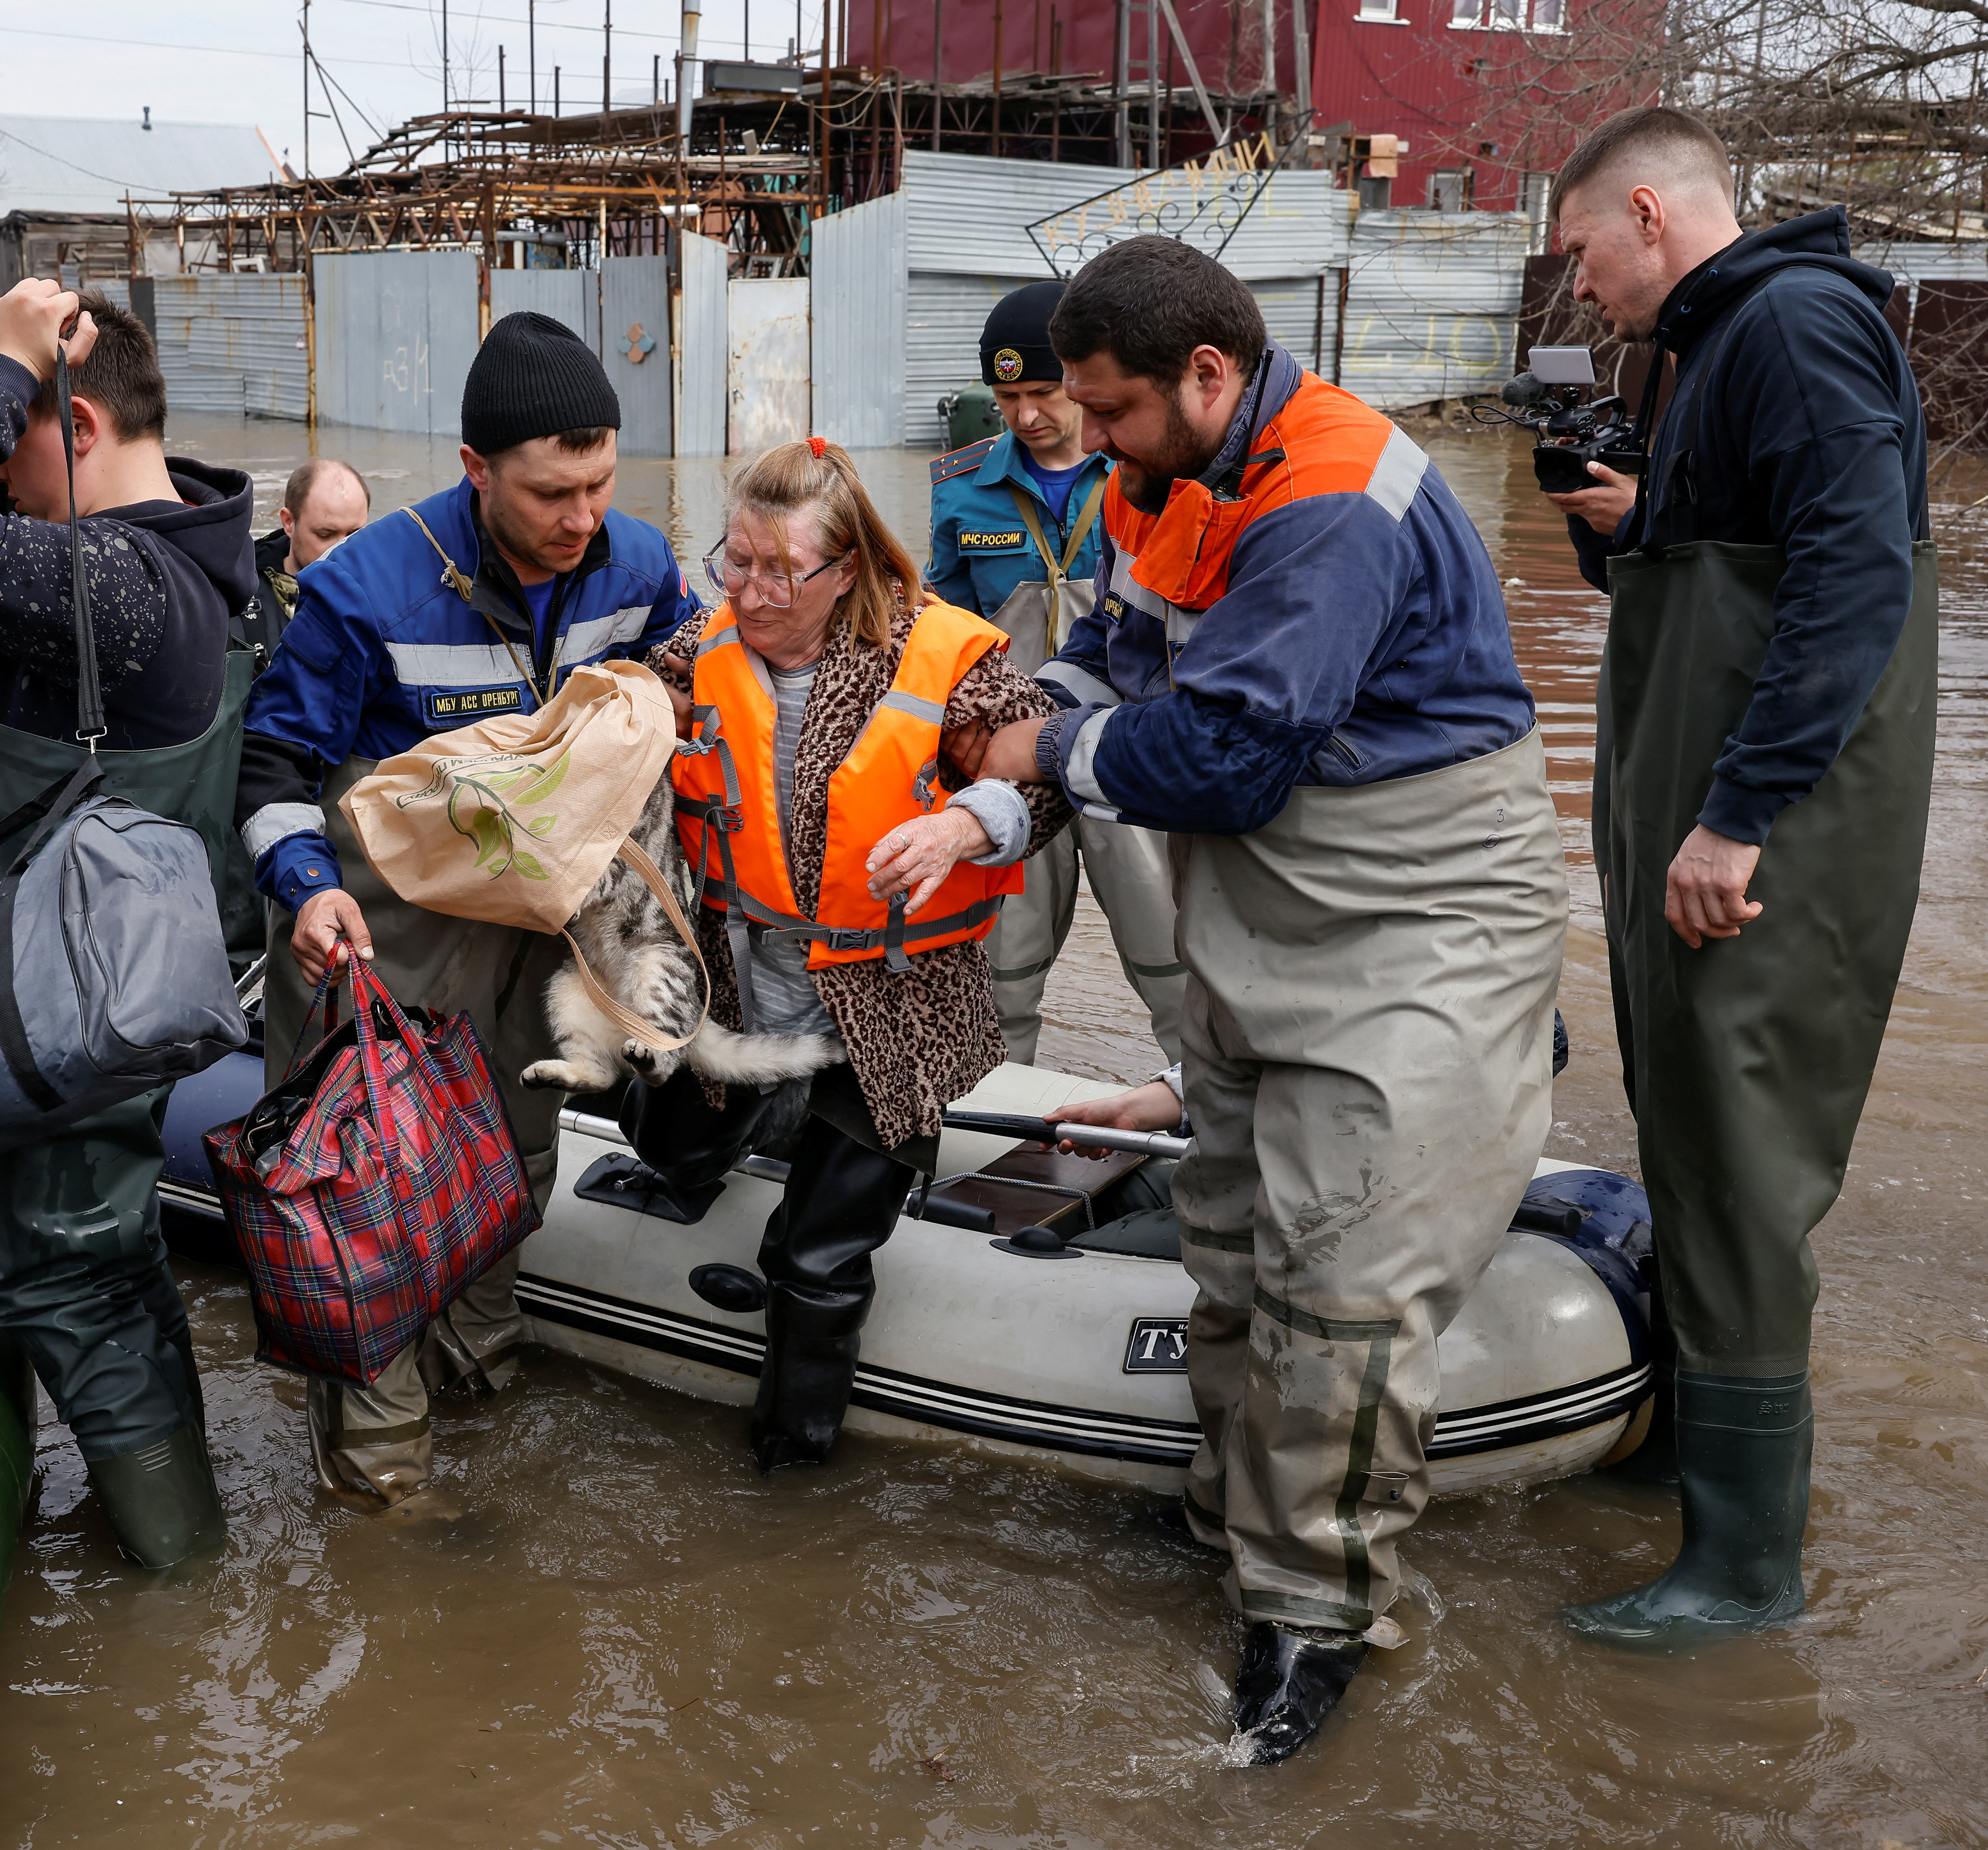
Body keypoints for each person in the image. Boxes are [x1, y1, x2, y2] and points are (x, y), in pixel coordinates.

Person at [979, 237, 1569, 1761]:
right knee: (1233, 1249)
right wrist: (1026, 726)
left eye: (1108, 411)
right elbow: (1113, 660)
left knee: (1345, 1290)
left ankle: (1315, 1615)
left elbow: (1233, 758)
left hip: (1417, 916)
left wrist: (1036, 764)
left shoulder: (1330, 499)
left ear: (1210, 376)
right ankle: (1228, 1526)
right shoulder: (1153, 477)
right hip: (1264, 910)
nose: (1087, 441)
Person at [1541, 109, 1935, 1647]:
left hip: (1767, 835)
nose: (1582, 290)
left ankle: (1747, 1573)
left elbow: (1856, 578)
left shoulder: (1795, 327)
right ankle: (1706, 1463)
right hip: (1700, 810)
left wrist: (1738, 818)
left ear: (1649, 211)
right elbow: (1741, 564)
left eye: (1584, 253)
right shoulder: (1714, 345)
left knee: (1746, 1146)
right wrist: (1632, 528)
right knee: (1692, 1125)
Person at [234, 311, 705, 1512]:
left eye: (598, 486)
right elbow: (270, 768)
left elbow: (684, 676)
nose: (579, 519)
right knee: (364, 1191)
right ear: (473, 473)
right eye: (551, 493)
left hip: (535, 920)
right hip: (381, 922)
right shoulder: (360, 588)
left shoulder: (637, 564)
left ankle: (482, 1382)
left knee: (518, 1147)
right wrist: (308, 887)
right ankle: (387, 1485)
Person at [0, 279, 261, 1569]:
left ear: (79, 426)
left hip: (66, 1017)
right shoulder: (171, 534)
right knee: (98, 1262)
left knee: (78, 1276)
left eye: (17, 442)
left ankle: (185, 1574)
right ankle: (159, 1535)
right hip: (65, 995)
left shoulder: (120, 587)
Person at [625, 436, 1071, 1470]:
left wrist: (966, 824)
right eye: (734, 559)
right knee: (672, 1144)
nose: (749, 586)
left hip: (889, 1004)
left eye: (778, 569)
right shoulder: (704, 643)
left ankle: (791, 1463)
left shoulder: (941, 655)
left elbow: (1046, 773)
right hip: (743, 983)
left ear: (847, 569)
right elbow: (626, 731)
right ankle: (727, 1132)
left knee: (817, 1254)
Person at [926, 280, 1186, 1065]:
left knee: (1176, 961)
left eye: (1043, 392)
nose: (1026, 416)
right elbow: (942, 632)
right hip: (1011, 763)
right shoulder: (961, 486)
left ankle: (1211, 1126)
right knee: (1002, 971)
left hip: (1126, 750)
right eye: (1006, 397)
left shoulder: (1150, 474)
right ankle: (992, 1137)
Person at [246, 457, 371, 666]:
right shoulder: (239, 598)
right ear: (289, 523)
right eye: (325, 535)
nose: (341, 551)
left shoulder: (390, 598)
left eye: (355, 535)